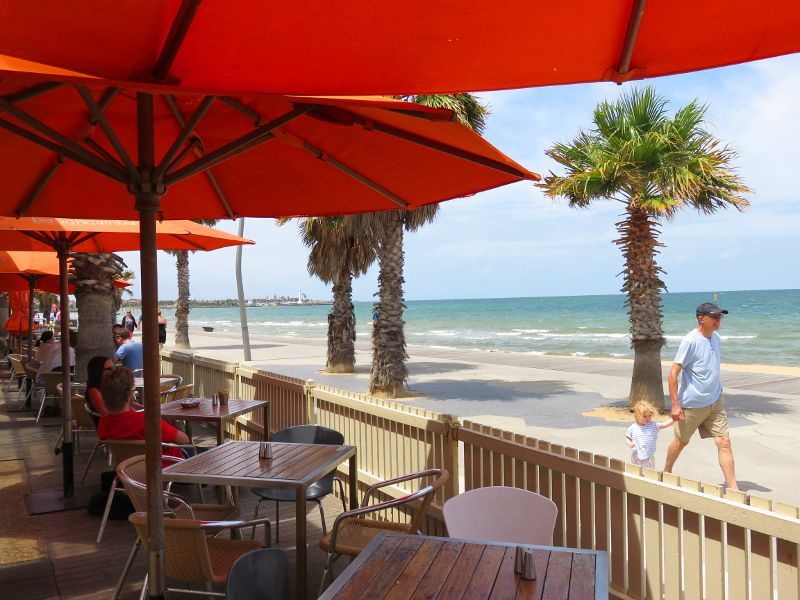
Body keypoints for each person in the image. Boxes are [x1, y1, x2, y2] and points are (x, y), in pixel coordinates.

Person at [664, 302, 738, 490]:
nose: (718, 320)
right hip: (692, 405)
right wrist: (675, 405)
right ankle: (666, 471)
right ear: (701, 319)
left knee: (724, 441)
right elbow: (672, 374)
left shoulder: (716, 338)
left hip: (715, 401)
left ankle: (733, 488)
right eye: (714, 317)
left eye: (720, 316)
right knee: (681, 442)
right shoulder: (690, 341)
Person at [97, 367, 188, 460]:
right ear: (130, 395)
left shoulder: (103, 423)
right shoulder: (146, 420)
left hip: (129, 468)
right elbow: (184, 440)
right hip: (168, 465)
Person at [626, 401, 673, 468]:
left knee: (650, 470)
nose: (648, 418)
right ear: (637, 416)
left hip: (650, 456)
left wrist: (673, 419)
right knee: (636, 470)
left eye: (649, 415)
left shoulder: (653, 425)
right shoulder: (633, 428)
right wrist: (629, 443)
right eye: (644, 416)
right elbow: (628, 438)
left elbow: (663, 425)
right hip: (636, 455)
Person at [85, 355, 114, 424]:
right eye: (109, 369)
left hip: (117, 421)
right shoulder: (93, 391)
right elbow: (107, 414)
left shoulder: (106, 386)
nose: (113, 371)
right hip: (109, 425)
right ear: (98, 371)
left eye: (113, 367)